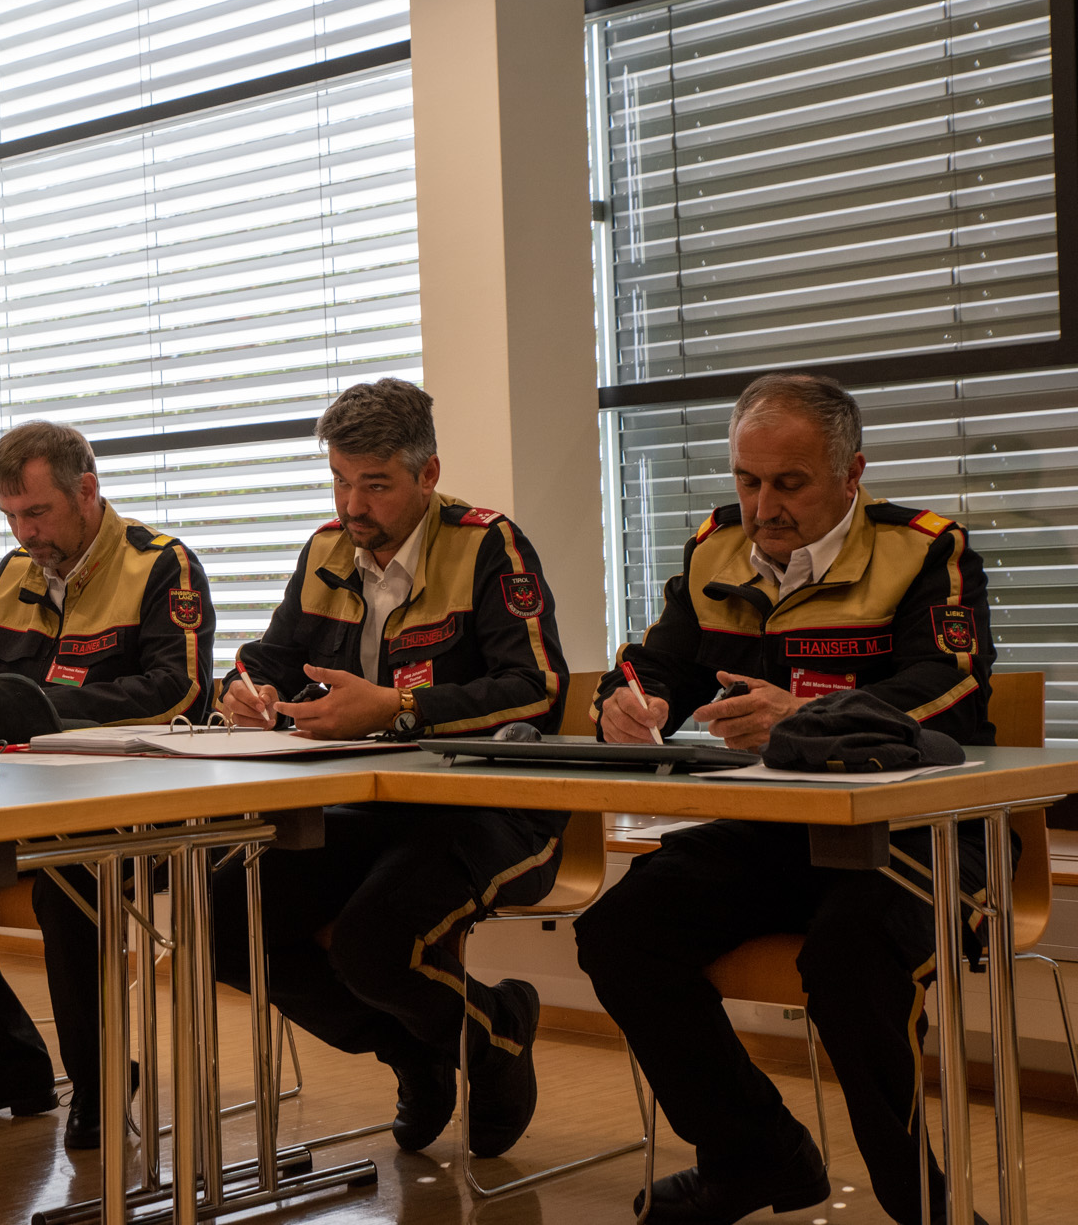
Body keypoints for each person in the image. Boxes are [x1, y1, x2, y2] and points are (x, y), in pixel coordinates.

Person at [575, 372, 997, 1225]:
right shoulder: (716, 547)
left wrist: (807, 716)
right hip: (778, 832)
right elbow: (657, 661)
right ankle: (756, 1155)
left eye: (789, 483)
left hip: (919, 833)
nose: (763, 507)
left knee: (849, 957)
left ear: (851, 472)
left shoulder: (926, 551)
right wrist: (628, 701)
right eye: (747, 479)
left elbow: (949, 688)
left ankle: (922, 1206)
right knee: (620, 931)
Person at [208, 377, 570, 1161]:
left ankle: (497, 1034)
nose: (353, 505)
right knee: (223, 917)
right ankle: (413, 1050)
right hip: (367, 809)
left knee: (374, 942)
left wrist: (400, 707)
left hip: (492, 811)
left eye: (375, 484)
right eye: (340, 480)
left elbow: (537, 689)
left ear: (427, 474)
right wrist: (247, 691)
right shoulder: (325, 550)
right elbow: (265, 658)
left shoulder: (487, 545)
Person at [0, 419, 214, 1151]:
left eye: (38, 512)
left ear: (87, 490)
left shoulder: (160, 566)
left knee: (71, 879)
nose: (26, 533)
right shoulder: (14, 575)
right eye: (12, 517)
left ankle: (99, 1079)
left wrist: (36, 708)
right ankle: (8, 1063)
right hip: (17, 804)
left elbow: (180, 691)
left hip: (132, 811)